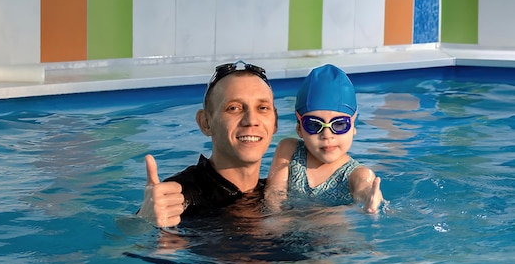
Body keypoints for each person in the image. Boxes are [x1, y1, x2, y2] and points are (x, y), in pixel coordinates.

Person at [137, 60, 278, 228]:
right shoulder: (179, 196)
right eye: (234, 108)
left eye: (262, 108)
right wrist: (143, 222)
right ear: (206, 123)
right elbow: (118, 244)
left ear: (275, 122)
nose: (251, 120)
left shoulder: (277, 191)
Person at [265, 64, 383, 213]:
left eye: (339, 124)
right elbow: (274, 194)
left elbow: (364, 188)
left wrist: (370, 198)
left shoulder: (358, 174)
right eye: (314, 125)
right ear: (299, 128)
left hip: (331, 233)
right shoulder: (289, 150)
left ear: (353, 126)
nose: (327, 135)